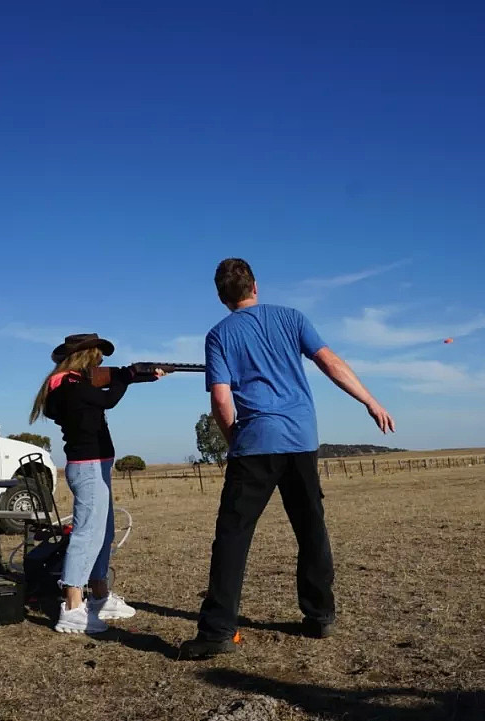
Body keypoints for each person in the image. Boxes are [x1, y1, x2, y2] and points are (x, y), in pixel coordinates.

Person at [179, 259, 395, 659]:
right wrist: (370, 401)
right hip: (301, 440)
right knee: (311, 527)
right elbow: (330, 363)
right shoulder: (292, 318)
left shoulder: (218, 335)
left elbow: (221, 399)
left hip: (255, 444)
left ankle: (217, 631)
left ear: (222, 296)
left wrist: (235, 440)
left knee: (233, 537)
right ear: (255, 286)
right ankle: (320, 616)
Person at [29, 333, 167, 634]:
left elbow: (113, 381)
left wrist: (143, 375)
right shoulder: (68, 386)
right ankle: (73, 606)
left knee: (102, 533)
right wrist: (129, 376)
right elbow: (109, 398)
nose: (102, 360)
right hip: (88, 467)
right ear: (86, 356)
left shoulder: (75, 383)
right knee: (86, 534)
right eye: (98, 355)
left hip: (97, 464)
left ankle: (99, 595)